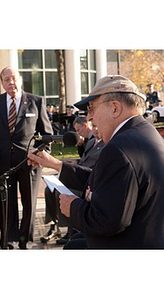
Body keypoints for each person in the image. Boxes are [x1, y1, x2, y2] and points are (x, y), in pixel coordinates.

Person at [29, 75, 164, 249]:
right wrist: (56, 164)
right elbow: (110, 183)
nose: (90, 118)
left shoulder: (119, 149)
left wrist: (74, 207)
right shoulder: (145, 134)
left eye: (92, 108)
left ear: (115, 108)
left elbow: (107, 221)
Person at [0, 66, 53, 249]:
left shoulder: (36, 102)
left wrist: (39, 155)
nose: (11, 82)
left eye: (13, 78)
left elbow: (46, 135)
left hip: (29, 162)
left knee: (29, 204)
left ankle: (26, 242)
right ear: (2, 83)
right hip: (3, 162)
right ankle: (10, 241)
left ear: (20, 79)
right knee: (6, 204)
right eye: (6, 80)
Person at [40, 124, 104, 244]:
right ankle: (53, 224)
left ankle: (71, 229)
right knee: (49, 190)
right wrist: (73, 162)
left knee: (61, 192)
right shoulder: (91, 143)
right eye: (94, 126)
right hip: (80, 174)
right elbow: (84, 160)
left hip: (87, 182)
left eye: (96, 126)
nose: (95, 129)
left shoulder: (106, 144)